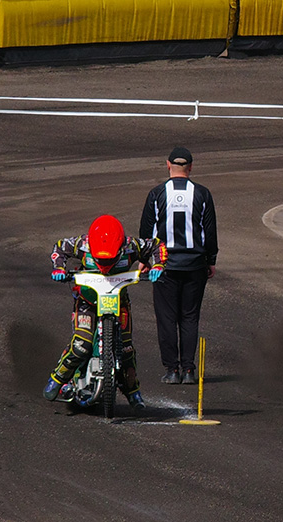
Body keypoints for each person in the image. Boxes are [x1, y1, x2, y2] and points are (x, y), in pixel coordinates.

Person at [45, 214, 166, 412]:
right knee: (81, 344)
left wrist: (158, 265)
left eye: (109, 258)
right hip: (87, 302)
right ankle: (57, 379)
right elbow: (59, 247)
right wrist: (59, 268)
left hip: (119, 302)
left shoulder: (131, 246)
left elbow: (157, 246)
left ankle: (133, 390)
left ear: (120, 248)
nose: (104, 263)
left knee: (126, 349)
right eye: (100, 258)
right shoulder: (82, 244)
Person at [140, 146, 219, 386]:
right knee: (189, 317)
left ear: (168, 165)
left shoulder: (157, 194)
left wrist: (144, 260)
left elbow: (146, 231)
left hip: (164, 266)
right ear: (191, 167)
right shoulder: (202, 194)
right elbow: (210, 232)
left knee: (166, 318)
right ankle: (188, 369)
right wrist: (211, 260)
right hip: (195, 266)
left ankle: (172, 369)